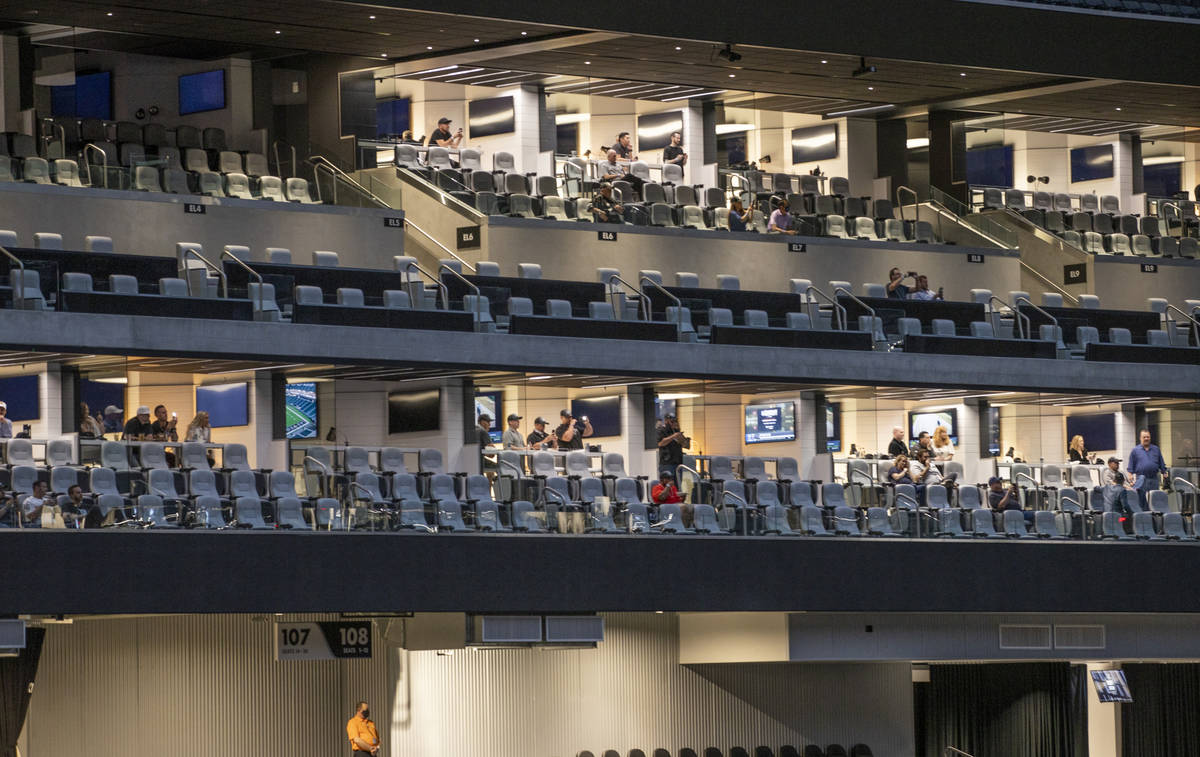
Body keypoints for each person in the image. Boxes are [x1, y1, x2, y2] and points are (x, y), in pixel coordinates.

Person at [1127, 428, 1167, 511]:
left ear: (1150, 438)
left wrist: (1164, 471)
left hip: (1154, 478)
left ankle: (1155, 516)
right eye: (1144, 437)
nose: (1146, 439)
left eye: (1148, 437)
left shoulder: (1156, 449)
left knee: (1154, 498)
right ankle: (1143, 516)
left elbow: (1161, 462)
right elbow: (1131, 463)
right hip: (1141, 479)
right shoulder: (1135, 450)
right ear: (1140, 438)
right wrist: (1130, 474)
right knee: (1141, 499)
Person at [477, 414, 497, 481]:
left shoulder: (473, 430)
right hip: (481, 461)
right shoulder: (483, 431)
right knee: (498, 467)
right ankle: (489, 489)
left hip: (472, 461)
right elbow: (492, 454)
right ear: (482, 422)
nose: (489, 425)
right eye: (488, 422)